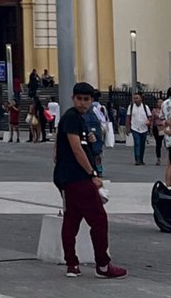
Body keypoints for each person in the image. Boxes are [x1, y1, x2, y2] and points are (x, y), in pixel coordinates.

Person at [53, 82, 127, 280]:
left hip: (67, 179)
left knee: (72, 220)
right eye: (80, 99)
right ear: (73, 98)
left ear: (92, 100)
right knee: (99, 220)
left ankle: (72, 264)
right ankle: (102, 264)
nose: (83, 103)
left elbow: (61, 146)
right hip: (77, 178)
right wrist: (92, 174)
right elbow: (77, 149)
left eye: (87, 99)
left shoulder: (77, 118)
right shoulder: (72, 118)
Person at [126, 92, 151, 166]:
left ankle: (141, 159)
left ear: (141, 99)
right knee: (137, 143)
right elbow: (128, 117)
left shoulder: (145, 107)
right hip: (135, 128)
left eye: (137, 98)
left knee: (142, 144)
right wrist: (127, 128)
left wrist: (148, 121)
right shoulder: (131, 107)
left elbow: (150, 116)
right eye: (134, 98)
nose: (135, 100)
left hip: (144, 128)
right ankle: (137, 159)